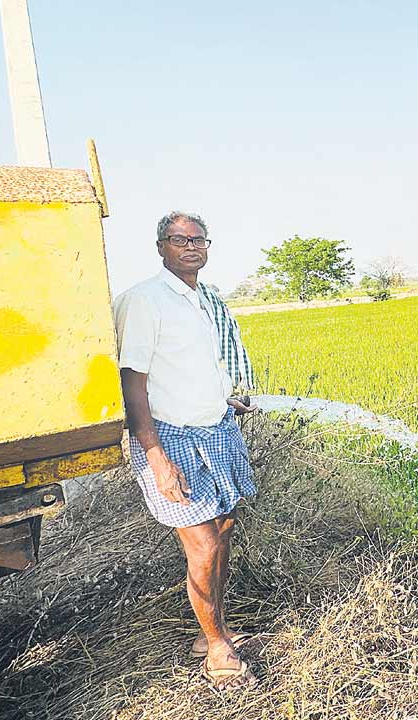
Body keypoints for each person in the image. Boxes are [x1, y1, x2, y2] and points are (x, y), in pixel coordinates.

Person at [112, 211, 259, 690]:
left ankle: (209, 628)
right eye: (179, 239)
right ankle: (217, 648)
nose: (190, 246)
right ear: (160, 246)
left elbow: (196, 367)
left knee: (224, 529)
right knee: (203, 544)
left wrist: (224, 399)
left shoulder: (204, 300)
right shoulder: (145, 301)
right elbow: (132, 386)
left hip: (215, 427)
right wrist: (156, 457)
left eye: (198, 239)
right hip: (170, 436)